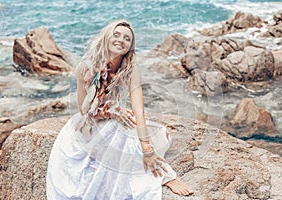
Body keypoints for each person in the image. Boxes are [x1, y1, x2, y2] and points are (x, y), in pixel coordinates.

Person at [46, 20, 193, 199]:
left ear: (130, 47)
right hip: (89, 123)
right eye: (116, 35)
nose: (120, 40)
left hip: (116, 116)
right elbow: (84, 109)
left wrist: (147, 149)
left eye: (127, 38)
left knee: (132, 128)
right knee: (122, 134)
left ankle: (166, 176)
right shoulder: (86, 66)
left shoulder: (132, 71)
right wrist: (111, 112)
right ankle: (166, 176)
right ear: (106, 37)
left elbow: (139, 110)